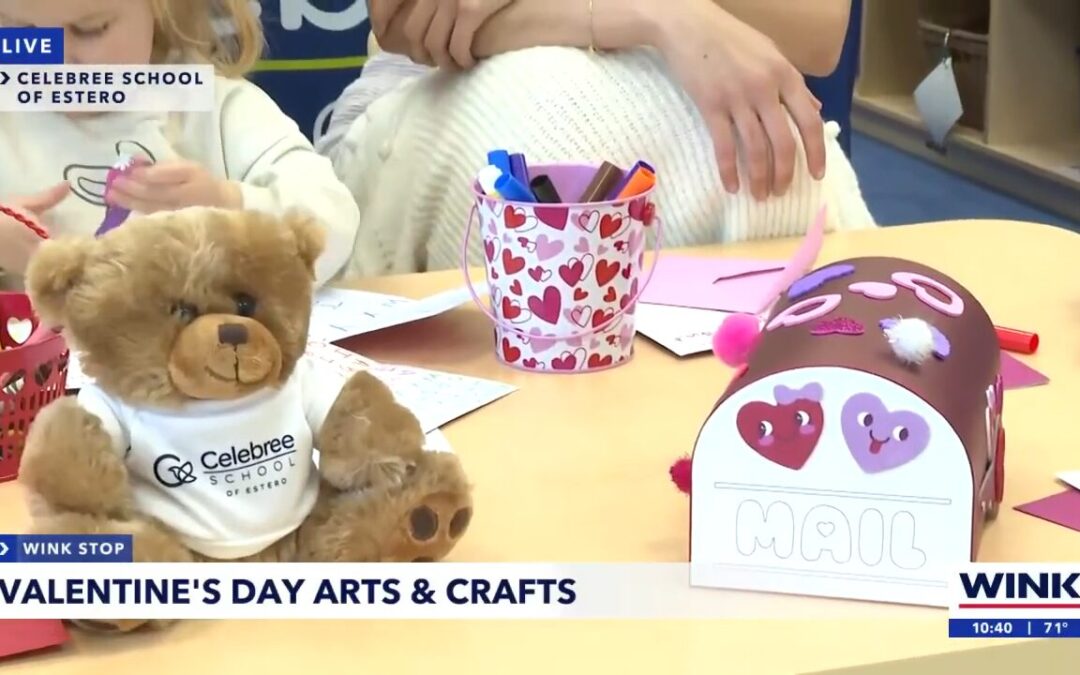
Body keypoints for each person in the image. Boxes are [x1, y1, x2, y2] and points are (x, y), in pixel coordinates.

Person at [320, 0, 875, 278]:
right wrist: (652, 14)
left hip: (696, 74)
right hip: (442, 96)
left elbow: (817, 27)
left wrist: (672, 13)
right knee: (568, 149)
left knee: (775, 150)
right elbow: (412, 20)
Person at [0, 0, 360, 288]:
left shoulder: (215, 109)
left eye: (90, 29)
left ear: (162, 10)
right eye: (22, 30)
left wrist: (228, 208)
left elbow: (332, 224)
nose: (58, 59)